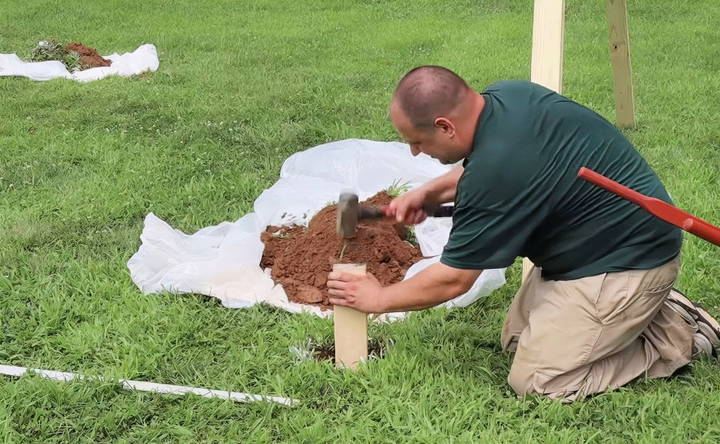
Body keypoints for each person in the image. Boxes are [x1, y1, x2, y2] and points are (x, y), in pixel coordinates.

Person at [327, 65, 720, 402]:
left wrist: (378, 298)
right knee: (516, 341)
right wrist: (430, 191)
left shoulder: (496, 173)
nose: (414, 152)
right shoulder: (508, 96)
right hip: (593, 250)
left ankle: (680, 337)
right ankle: (648, 310)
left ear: (445, 126)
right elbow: (496, 164)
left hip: (628, 259)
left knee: (539, 382)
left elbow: (453, 280)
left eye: (417, 141)